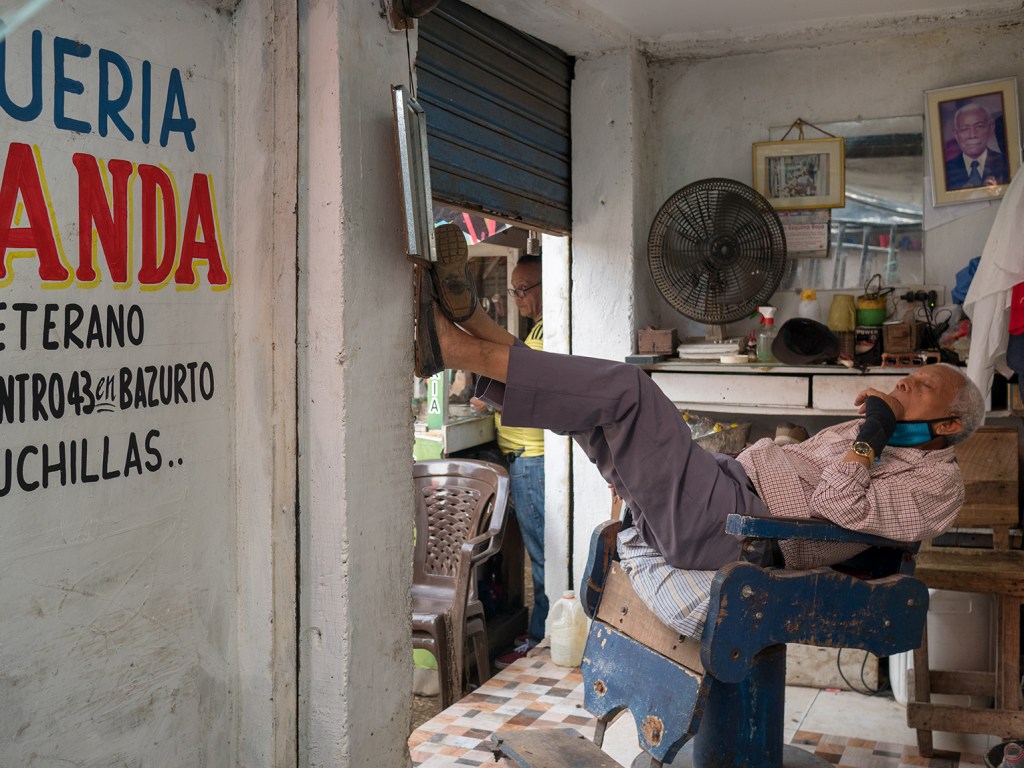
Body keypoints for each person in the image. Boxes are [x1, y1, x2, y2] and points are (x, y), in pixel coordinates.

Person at [413, 232, 986, 640]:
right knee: (594, 411)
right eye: (908, 379)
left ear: (950, 425)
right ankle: (479, 337)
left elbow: (835, 505)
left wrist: (876, 428)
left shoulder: (937, 489)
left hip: (740, 532)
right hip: (726, 489)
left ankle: (460, 347)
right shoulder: (883, 438)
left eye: (921, 385)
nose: (905, 384)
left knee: (628, 391)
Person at [469, 255, 548, 666]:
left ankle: (541, 642)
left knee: (542, 556)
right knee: (541, 553)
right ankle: (542, 633)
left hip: (534, 461)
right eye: (513, 290)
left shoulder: (545, 332)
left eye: (523, 289)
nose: (516, 297)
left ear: (543, 285)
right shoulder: (536, 329)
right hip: (526, 458)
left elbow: (521, 379)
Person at [944, 102, 1010, 191]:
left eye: (979, 126)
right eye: (965, 129)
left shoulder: (1006, 163)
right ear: (956, 134)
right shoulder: (946, 171)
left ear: (991, 128)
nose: (972, 135)